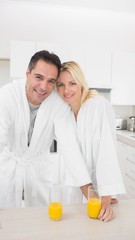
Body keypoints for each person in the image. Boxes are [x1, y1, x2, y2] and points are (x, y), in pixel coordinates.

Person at [0, 51, 92, 208]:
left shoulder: (58, 103)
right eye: (38, 77)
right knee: (6, 215)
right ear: (28, 73)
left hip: (39, 169)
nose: (44, 87)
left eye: (51, 81)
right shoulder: (7, 95)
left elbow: (69, 146)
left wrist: (90, 192)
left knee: (40, 218)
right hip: (9, 167)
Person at [56, 61, 126, 222]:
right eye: (61, 85)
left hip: (98, 187)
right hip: (73, 183)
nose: (66, 90)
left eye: (72, 83)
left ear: (81, 83)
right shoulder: (63, 111)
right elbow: (70, 153)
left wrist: (105, 197)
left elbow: (106, 151)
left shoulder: (98, 105)